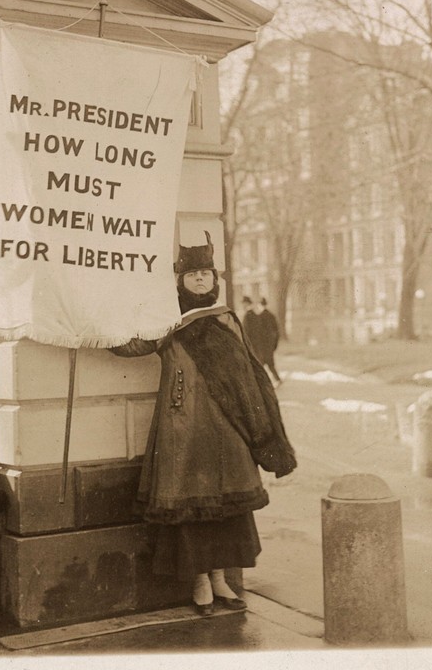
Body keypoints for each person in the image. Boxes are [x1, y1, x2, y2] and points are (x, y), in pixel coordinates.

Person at [111, 233, 296, 616]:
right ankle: (199, 583)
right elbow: (132, 345)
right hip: (184, 431)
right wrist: (89, 325)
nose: (199, 280)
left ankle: (220, 580)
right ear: (179, 281)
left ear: (214, 280)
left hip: (228, 431)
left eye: (205, 274)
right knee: (190, 508)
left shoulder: (227, 319)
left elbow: (251, 374)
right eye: (192, 274)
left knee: (225, 509)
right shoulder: (168, 320)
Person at [243, 295, 281, 386]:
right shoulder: (269, 315)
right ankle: (272, 380)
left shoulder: (252, 315)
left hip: (260, 345)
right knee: (266, 363)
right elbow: (276, 332)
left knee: (262, 363)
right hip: (267, 345)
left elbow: (250, 332)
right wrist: (274, 344)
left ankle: (264, 382)